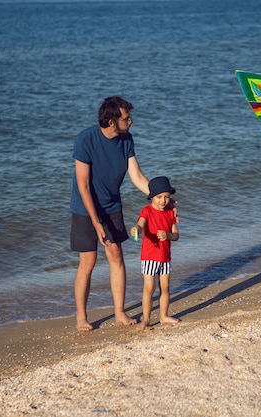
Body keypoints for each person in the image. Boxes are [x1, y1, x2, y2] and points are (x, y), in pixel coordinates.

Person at [70, 96, 150, 332]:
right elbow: (83, 186)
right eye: (126, 118)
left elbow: (136, 177)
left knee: (116, 256)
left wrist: (160, 195)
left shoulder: (126, 140)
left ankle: (119, 313)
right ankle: (81, 317)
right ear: (113, 121)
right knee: (88, 261)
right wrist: (96, 223)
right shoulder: (86, 140)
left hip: (112, 205)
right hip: (85, 208)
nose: (131, 121)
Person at [129, 176, 180, 331]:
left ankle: (163, 316)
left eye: (166, 197)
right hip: (150, 256)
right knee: (149, 288)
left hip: (165, 257)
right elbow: (141, 224)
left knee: (165, 287)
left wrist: (168, 235)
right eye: (159, 197)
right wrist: (136, 229)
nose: (163, 200)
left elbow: (176, 235)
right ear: (151, 197)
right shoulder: (147, 211)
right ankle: (146, 320)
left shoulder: (170, 213)